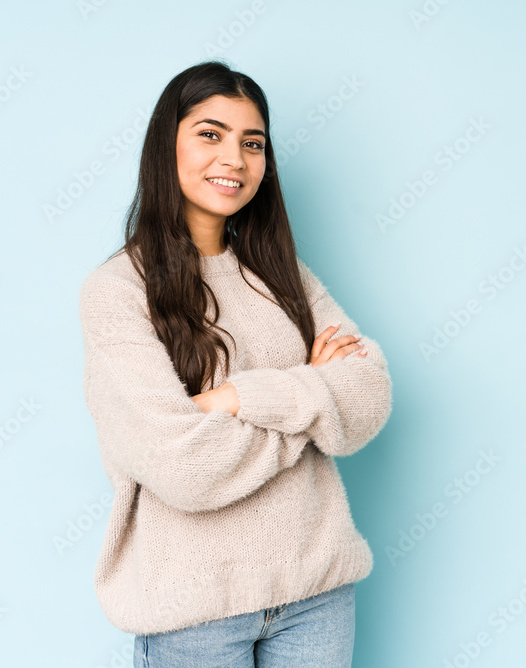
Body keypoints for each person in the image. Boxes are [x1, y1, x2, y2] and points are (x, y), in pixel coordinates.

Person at [77, 60, 393, 667]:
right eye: (210, 134)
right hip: (194, 610)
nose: (235, 159)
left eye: (253, 144)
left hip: (317, 594)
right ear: (165, 143)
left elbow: (367, 398)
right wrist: (311, 402)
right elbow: (185, 468)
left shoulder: (283, 278)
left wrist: (234, 399)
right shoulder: (117, 291)